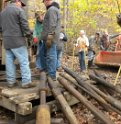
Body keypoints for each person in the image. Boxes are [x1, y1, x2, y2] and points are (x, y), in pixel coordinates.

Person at [0, 0, 36, 88]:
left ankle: (11, 82)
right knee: (24, 61)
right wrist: (29, 36)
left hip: (7, 41)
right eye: (21, 4)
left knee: (9, 62)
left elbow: (0, 28)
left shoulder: (2, 12)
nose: (21, 6)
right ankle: (26, 82)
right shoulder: (19, 10)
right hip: (17, 40)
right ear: (17, 1)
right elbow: (24, 25)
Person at [41, 0, 60, 80]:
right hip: (51, 36)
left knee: (51, 56)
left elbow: (52, 24)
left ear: (47, 0)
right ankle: (50, 73)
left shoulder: (51, 9)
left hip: (51, 37)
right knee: (50, 55)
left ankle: (51, 76)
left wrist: (50, 36)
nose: (44, 3)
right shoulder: (53, 9)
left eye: (44, 1)